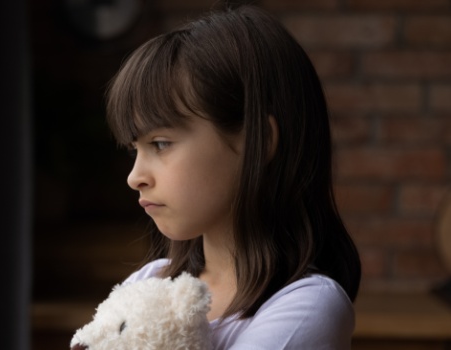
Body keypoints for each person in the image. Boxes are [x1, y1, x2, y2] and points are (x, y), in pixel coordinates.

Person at [105, 4, 362, 349]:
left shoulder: (307, 307)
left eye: (161, 143)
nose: (135, 177)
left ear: (260, 140)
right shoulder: (151, 283)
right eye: (134, 149)